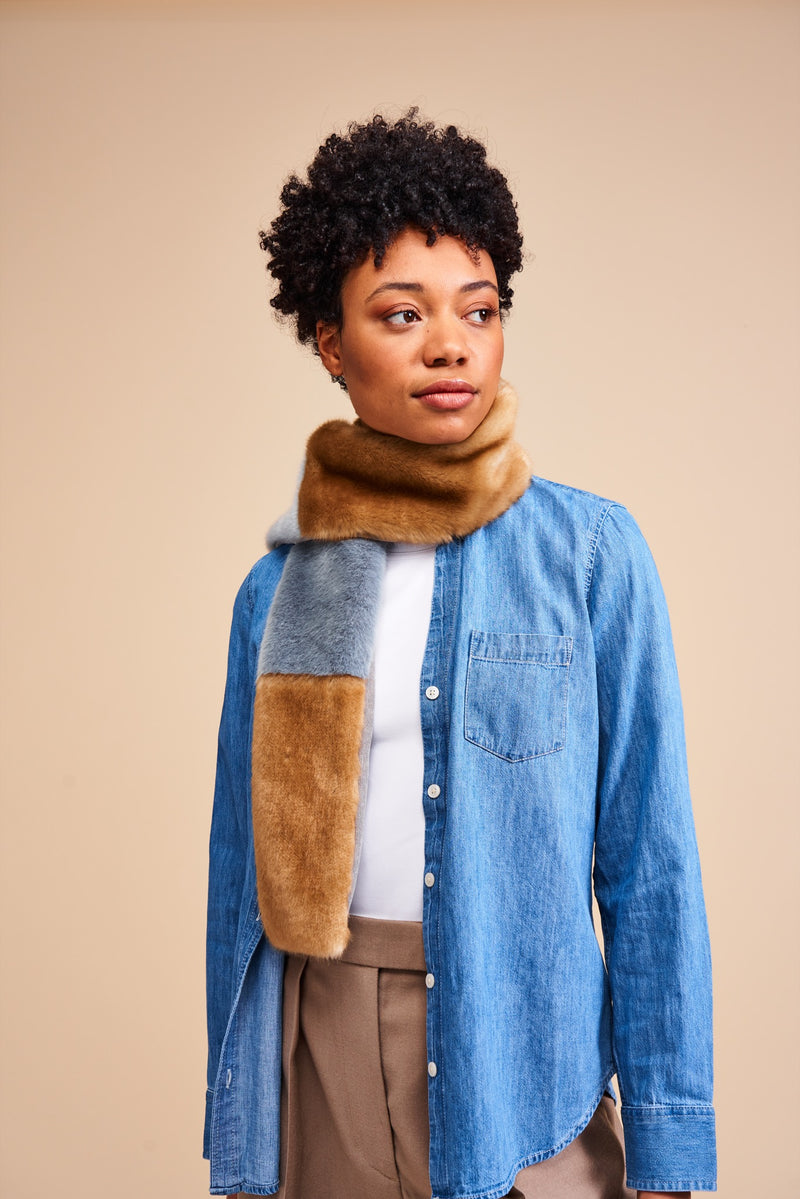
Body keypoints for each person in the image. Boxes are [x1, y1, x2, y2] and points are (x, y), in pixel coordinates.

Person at [204, 111, 717, 1199]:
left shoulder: (588, 554)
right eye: (401, 314)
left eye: (477, 311)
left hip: (521, 1054)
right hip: (322, 1053)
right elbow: (235, 885)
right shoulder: (277, 589)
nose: (449, 343)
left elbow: (648, 857)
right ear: (332, 345)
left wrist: (669, 1145)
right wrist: (243, 1136)